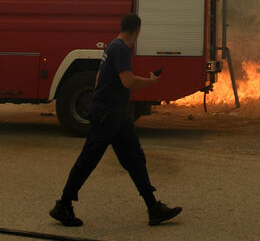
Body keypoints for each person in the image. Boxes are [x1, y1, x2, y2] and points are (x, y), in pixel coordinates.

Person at [49, 14, 182, 228]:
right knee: (87, 161)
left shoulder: (111, 46)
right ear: (137, 30)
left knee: (135, 159)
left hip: (117, 116)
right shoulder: (120, 49)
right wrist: (150, 82)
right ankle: (63, 205)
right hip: (107, 115)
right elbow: (127, 81)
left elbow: (98, 78)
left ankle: (154, 208)